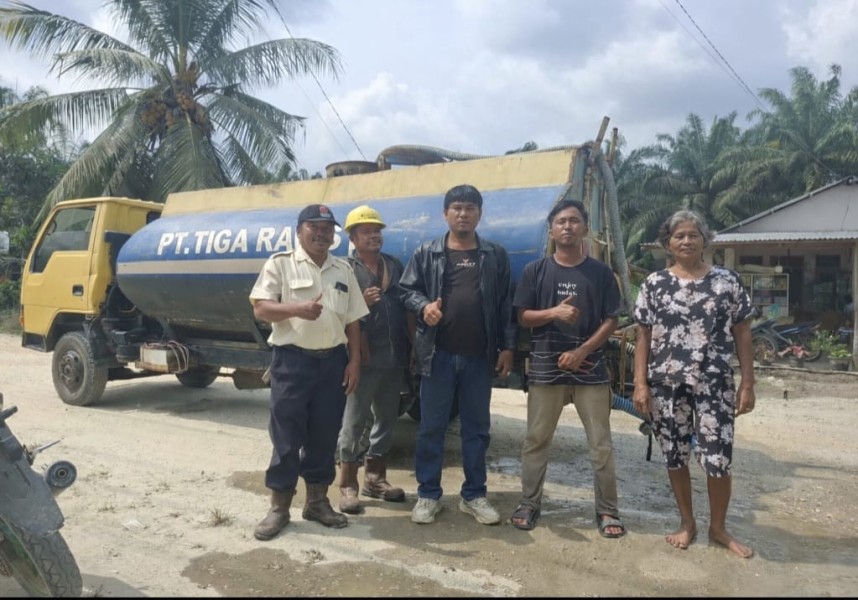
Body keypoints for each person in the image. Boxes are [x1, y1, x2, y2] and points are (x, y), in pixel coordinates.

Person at [632, 209, 756, 559]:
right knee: (675, 455)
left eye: (693, 234)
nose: (686, 241)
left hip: (714, 382)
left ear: (705, 240)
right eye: (679, 236)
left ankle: (718, 528)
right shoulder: (654, 284)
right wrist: (640, 384)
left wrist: (748, 382)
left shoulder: (727, 281)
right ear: (668, 243)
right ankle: (687, 523)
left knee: (718, 457)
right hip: (666, 382)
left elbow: (743, 332)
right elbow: (643, 336)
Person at [249, 203, 369, 540]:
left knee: (324, 436)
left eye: (327, 229)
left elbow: (354, 321)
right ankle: (279, 508)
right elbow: (261, 308)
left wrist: (354, 361)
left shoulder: (343, 270)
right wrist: (296, 309)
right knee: (286, 438)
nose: (321, 234)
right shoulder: (281, 264)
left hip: (333, 363)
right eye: (314, 227)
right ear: (299, 231)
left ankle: (317, 502)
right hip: (292, 362)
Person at [399, 183, 516, 525]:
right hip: (438, 356)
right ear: (445, 213)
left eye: (470, 208)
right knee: (431, 428)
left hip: (479, 357)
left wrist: (508, 347)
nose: (463, 214)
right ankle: (428, 495)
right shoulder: (427, 253)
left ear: (479, 214)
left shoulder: (494, 254)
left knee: (477, 429)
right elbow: (406, 291)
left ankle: (474, 495)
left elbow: (506, 305)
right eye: (457, 208)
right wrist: (424, 307)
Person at [509, 199, 626, 537]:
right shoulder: (535, 271)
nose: (567, 227)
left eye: (574, 221)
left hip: (591, 371)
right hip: (546, 370)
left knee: (600, 445)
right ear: (551, 231)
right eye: (561, 222)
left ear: (585, 228)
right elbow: (523, 317)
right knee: (536, 440)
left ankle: (607, 511)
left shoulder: (601, 274)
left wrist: (583, 350)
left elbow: (612, 319)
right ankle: (529, 503)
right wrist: (554, 313)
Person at [335, 205, 414, 514]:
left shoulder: (393, 264)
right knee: (354, 421)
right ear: (353, 238)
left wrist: (411, 348)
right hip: (363, 358)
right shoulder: (345, 268)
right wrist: (362, 303)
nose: (374, 236)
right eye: (366, 232)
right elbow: (337, 312)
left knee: (386, 418)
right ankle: (347, 485)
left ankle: (375, 479)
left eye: (377, 231)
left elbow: (406, 306)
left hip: (393, 357)